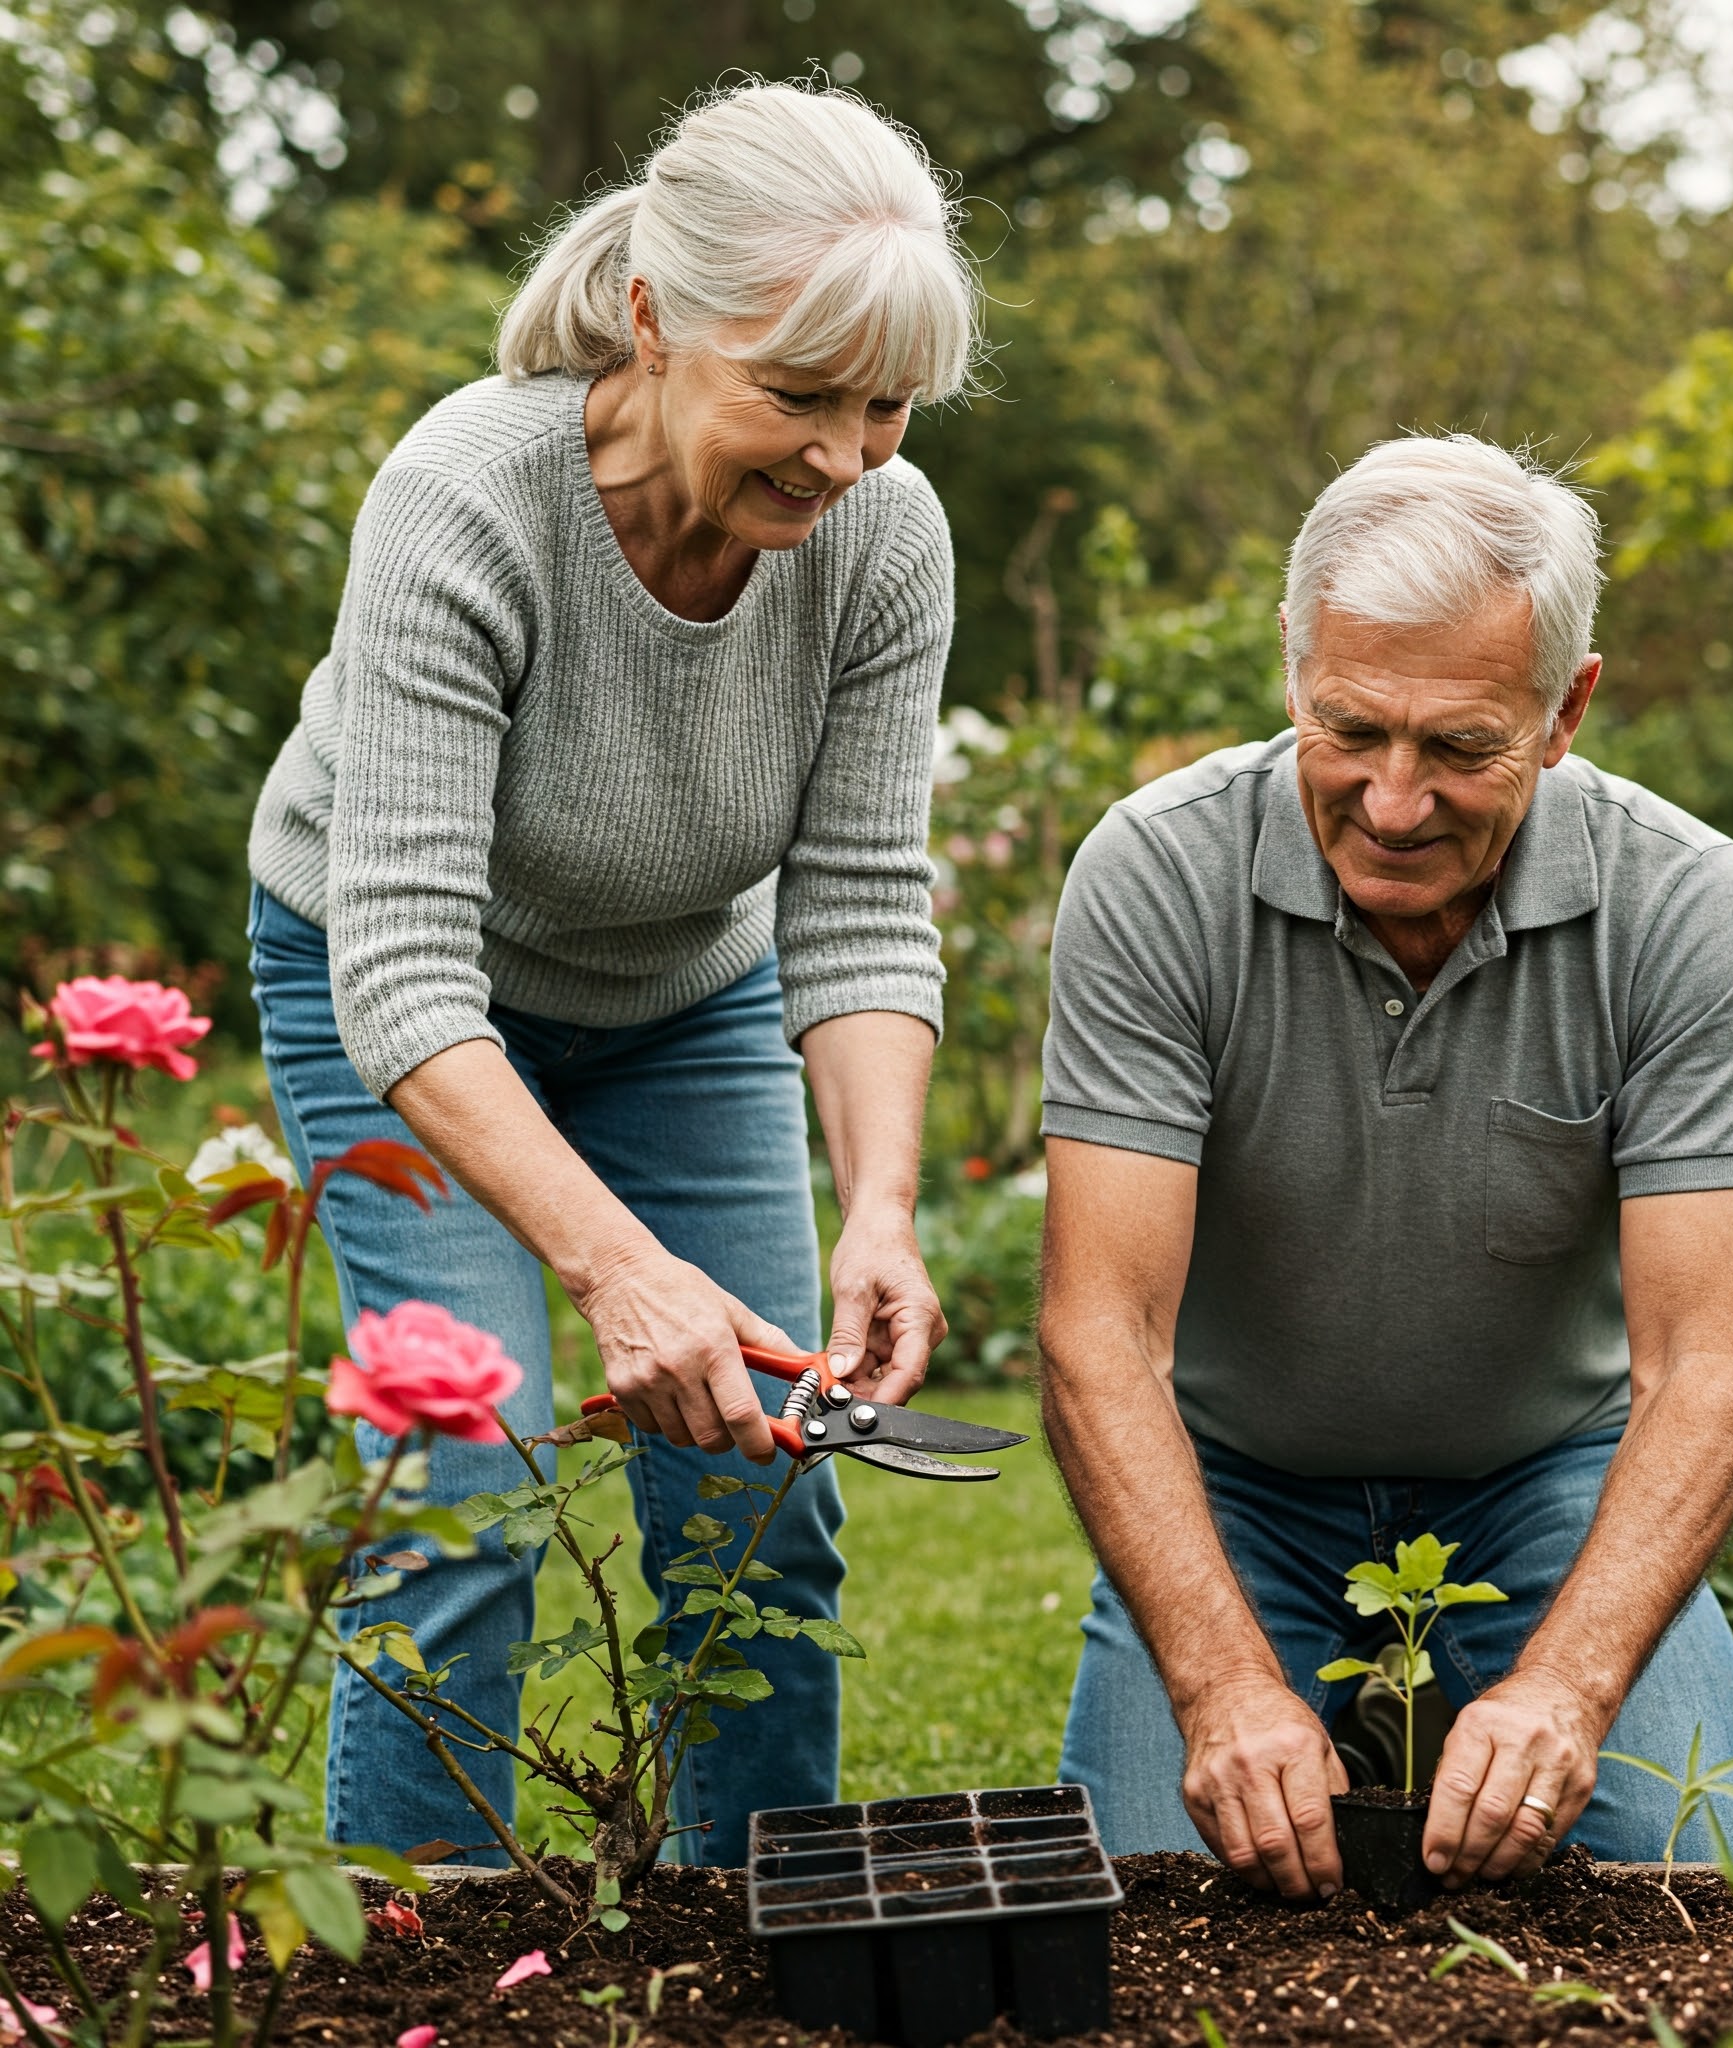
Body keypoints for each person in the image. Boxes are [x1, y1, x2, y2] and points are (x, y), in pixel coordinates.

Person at [246, 80, 978, 1866]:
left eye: (884, 407)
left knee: (765, 1485)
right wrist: (621, 1275)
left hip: (683, 1003)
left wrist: (879, 1205)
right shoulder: (464, 499)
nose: (844, 456)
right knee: (471, 1478)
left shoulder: (886, 540)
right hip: (404, 1003)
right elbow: (406, 965)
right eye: (796, 396)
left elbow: (865, 902)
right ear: (653, 321)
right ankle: (421, 1953)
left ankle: (761, 1930)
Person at [1037, 434, 1733, 1901]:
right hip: (1237, 1488)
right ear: (1292, 664)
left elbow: (1708, 1364)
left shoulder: (1683, 903)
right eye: (1350, 731)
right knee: (1152, 1904)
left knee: (1700, 1891)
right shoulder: (1158, 873)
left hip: (1550, 1484)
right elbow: (1098, 1333)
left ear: (1565, 709)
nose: (1393, 803)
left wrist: (1568, 1687)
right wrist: (1217, 1688)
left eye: (1460, 747)